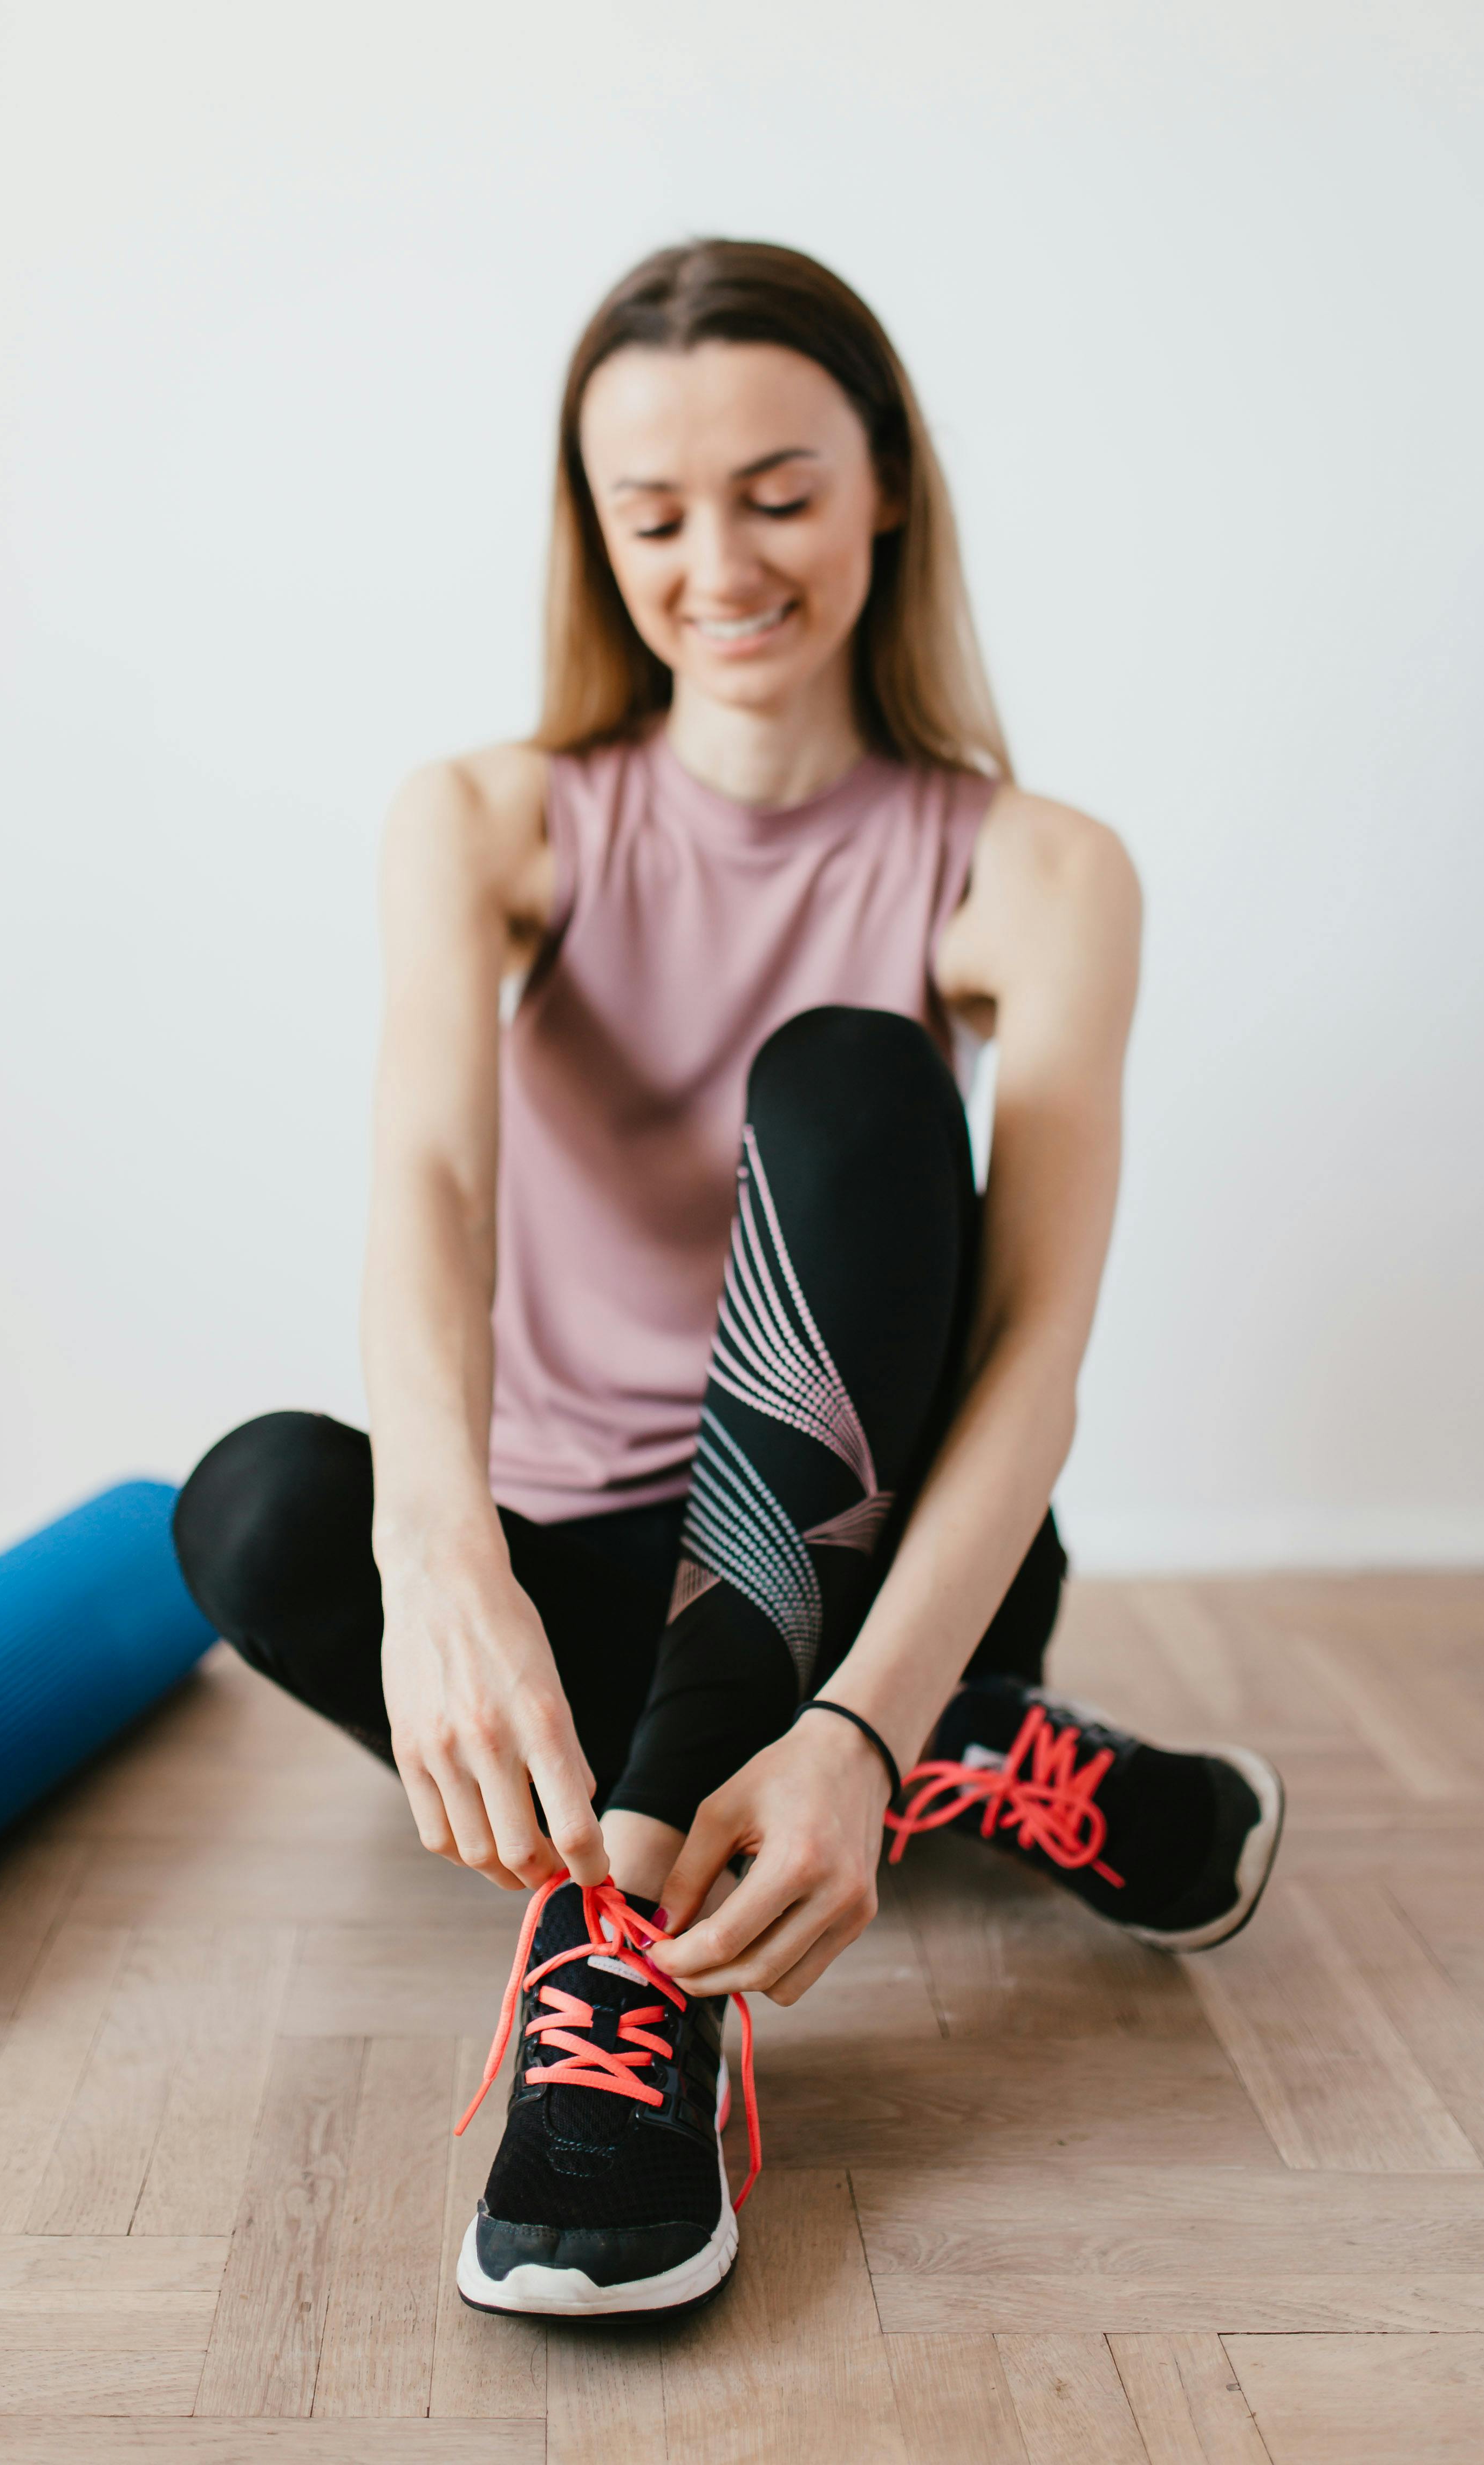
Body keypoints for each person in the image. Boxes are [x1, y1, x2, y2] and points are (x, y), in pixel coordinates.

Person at [172, 239, 1284, 2323]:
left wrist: (852, 1717)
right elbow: (428, 1175)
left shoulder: (1037, 871)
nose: (721, 562)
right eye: (655, 512)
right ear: (594, 535)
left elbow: (1037, 1356)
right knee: (248, 1507)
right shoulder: (488, 818)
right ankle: (983, 1763)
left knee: (857, 1077)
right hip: (564, 1570)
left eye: (779, 492)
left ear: (886, 488)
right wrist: (437, 1557)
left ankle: (638, 1963)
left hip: (882, 1577)